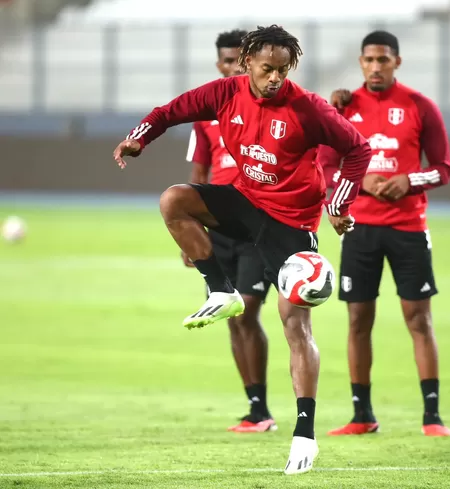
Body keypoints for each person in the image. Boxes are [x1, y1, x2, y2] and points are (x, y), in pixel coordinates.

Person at [113, 25, 371, 475]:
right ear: (247, 61)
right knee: (174, 200)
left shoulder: (308, 108)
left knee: (296, 325)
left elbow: (357, 148)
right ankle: (220, 290)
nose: (275, 78)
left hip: (291, 224)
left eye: (283, 70)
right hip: (247, 203)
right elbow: (169, 111)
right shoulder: (224, 93)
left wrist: (339, 202)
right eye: (267, 68)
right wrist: (139, 137)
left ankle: (304, 432)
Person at [318, 30, 450, 438]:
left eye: (383, 60)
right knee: (358, 319)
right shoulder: (342, 109)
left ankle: (432, 417)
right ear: (360, 63)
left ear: (397, 62)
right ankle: (362, 415)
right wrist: (362, 182)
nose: (375, 67)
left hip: (408, 228)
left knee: (419, 319)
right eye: (369, 60)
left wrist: (409, 180)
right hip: (359, 230)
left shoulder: (420, 106)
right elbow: (325, 168)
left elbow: (443, 169)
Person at [183, 29, 275, 433]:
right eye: (227, 61)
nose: (234, 67)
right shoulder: (207, 114)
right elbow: (199, 173)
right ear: (218, 65)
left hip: (258, 223)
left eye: (241, 59)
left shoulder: (269, 107)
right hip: (218, 227)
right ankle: (256, 409)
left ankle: (263, 407)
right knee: (232, 316)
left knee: (248, 309)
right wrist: (192, 232)